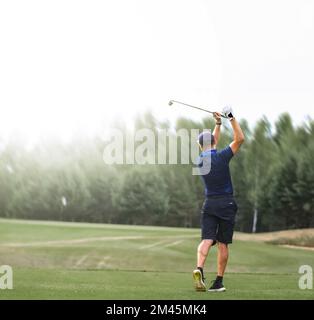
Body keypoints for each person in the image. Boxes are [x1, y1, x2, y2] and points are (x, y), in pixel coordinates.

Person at [193, 106, 245, 292]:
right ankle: (218, 282)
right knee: (222, 243)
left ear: (200, 146)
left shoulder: (199, 161)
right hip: (226, 204)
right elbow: (240, 139)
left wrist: (217, 123)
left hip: (209, 204)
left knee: (207, 239)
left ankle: (199, 268)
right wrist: (230, 118)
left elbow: (211, 145)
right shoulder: (222, 157)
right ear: (215, 142)